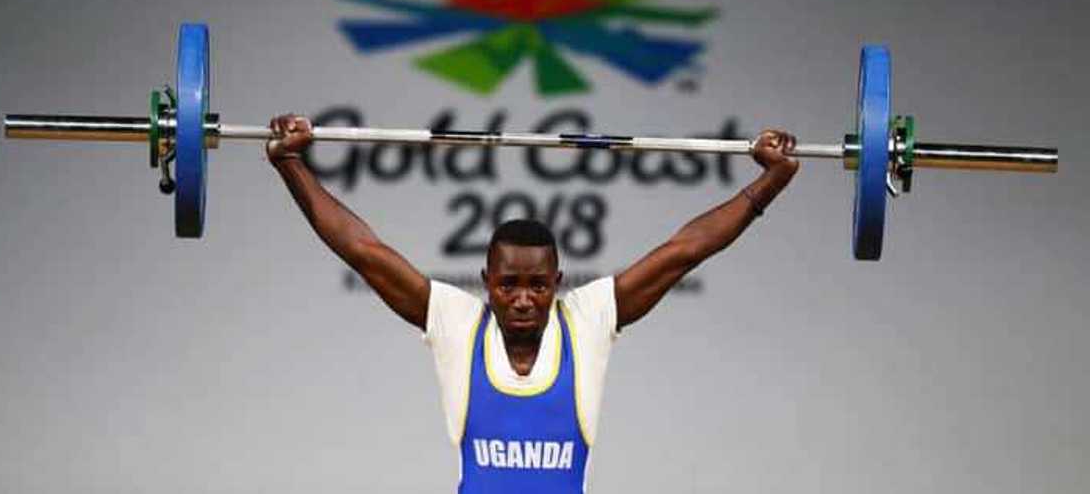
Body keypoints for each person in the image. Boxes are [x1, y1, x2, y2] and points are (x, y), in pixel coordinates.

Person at [266, 114, 799, 493]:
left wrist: (768, 183)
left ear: (558, 281)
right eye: (508, 285)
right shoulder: (456, 322)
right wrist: (291, 164)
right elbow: (363, 251)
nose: (523, 299)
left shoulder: (588, 319)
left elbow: (686, 250)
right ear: (486, 281)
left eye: (538, 286)